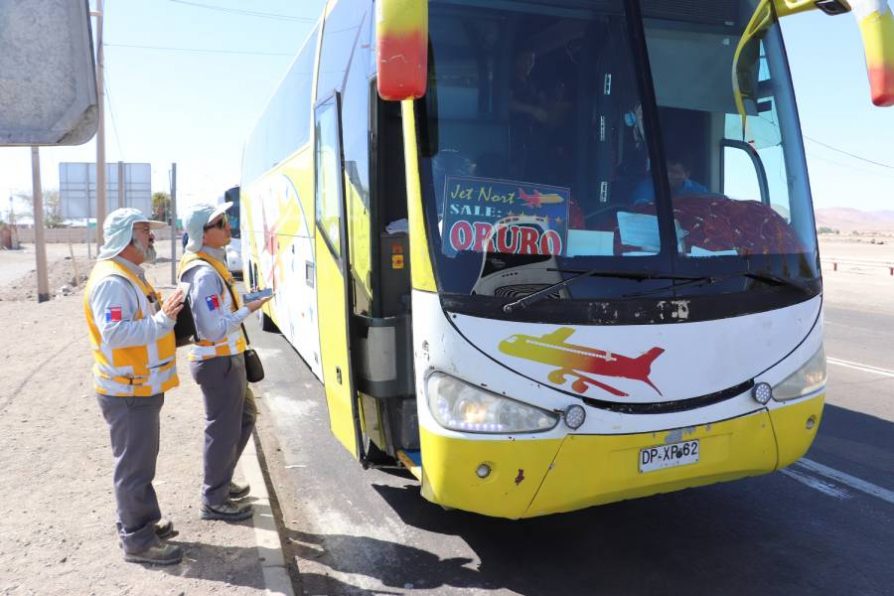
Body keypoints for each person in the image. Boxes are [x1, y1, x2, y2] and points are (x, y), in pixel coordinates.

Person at [84, 208, 185, 565]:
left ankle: (141, 524)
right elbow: (115, 335)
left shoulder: (130, 275)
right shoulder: (113, 281)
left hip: (138, 387)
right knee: (134, 468)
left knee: (140, 464)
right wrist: (164, 319)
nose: (151, 237)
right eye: (145, 231)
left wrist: (167, 316)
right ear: (126, 237)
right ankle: (137, 541)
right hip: (127, 392)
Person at [178, 202, 272, 522]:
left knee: (244, 417)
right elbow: (213, 328)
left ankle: (221, 481)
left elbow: (219, 310)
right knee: (222, 431)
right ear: (202, 235)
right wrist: (250, 309)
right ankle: (214, 499)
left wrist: (246, 300)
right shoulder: (204, 273)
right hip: (219, 363)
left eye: (226, 219)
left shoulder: (211, 265)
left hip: (226, 361)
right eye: (219, 222)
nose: (228, 225)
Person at [631, 151, 709, 204]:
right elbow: (641, 211)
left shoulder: (700, 191)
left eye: (674, 172)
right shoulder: (647, 187)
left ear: (686, 175)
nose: (667, 175)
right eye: (665, 170)